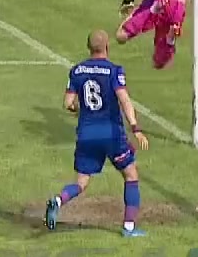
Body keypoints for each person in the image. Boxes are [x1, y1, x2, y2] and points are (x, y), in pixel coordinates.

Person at [45, 30, 150, 238]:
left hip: (86, 134)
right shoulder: (114, 71)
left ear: (88, 47)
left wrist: (78, 109)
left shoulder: (77, 70)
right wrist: (135, 128)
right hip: (111, 134)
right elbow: (124, 99)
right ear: (107, 46)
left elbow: (67, 103)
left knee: (81, 182)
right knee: (130, 174)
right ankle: (129, 227)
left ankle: (58, 200)